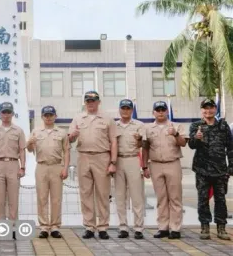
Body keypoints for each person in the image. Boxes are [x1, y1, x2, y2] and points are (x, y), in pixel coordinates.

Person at [68, 91, 117, 240]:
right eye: (88, 100)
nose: (90, 103)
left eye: (93, 100)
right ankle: (89, 226)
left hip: (102, 157)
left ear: (98, 102)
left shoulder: (107, 118)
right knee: (85, 193)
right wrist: (72, 136)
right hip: (83, 157)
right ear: (85, 102)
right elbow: (69, 139)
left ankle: (102, 227)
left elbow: (114, 141)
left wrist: (113, 162)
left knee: (102, 194)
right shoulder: (77, 118)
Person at [188, 98, 232, 240]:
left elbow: (231, 148)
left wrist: (231, 167)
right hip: (202, 170)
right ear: (202, 110)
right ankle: (204, 227)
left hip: (220, 170)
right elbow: (192, 145)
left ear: (215, 109)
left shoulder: (223, 126)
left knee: (220, 199)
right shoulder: (196, 126)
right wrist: (196, 138)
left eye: (211, 108)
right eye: (205, 108)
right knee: (203, 199)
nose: (208, 111)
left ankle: (221, 227)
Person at [142, 101, 187, 239]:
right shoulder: (148, 128)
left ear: (167, 111)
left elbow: (183, 143)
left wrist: (175, 134)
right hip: (155, 165)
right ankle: (163, 227)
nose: (160, 112)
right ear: (153, 112)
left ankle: (175, 228)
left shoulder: (176, 126)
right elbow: (145, 148)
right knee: (161, 198)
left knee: (175, 197)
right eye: (158, 110)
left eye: (163, 109)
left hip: (172, 163)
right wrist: (144, 166)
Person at [27, 105, 69, 239]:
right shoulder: (36, 131)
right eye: (46, 115)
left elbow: (66, 151)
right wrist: (29, 143)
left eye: (51, 115)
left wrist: (66, 168)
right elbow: (29, 150)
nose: (49, 118)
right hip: (42, 167)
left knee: (56, 198)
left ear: (55, 116)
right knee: (42, 198)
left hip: (57, 166)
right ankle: (44, 227)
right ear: (42, 117)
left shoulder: (61, 132)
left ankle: (55, 226)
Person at [0, 102, 26, 240]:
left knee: (13, 198)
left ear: (12, 114)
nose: (6, 115)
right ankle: (1, 229)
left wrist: (23, 167)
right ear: (0, 113)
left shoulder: (18, 131)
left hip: (13, 164)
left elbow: (22, 150)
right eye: (3, 112)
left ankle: (14, 227)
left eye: (8, 112)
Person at [114, 99, 145, 239]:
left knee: (136, 195)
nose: (125, 111)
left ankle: (138, 227)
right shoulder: (114, 125)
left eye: (128, 108)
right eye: (123, 108)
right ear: (119, 110)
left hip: (133, 158)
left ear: (132, 110)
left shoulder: (139, 125)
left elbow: (143, 145)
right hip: (118, 160)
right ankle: (123, 227)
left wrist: (139, 139)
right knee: (120, 196)